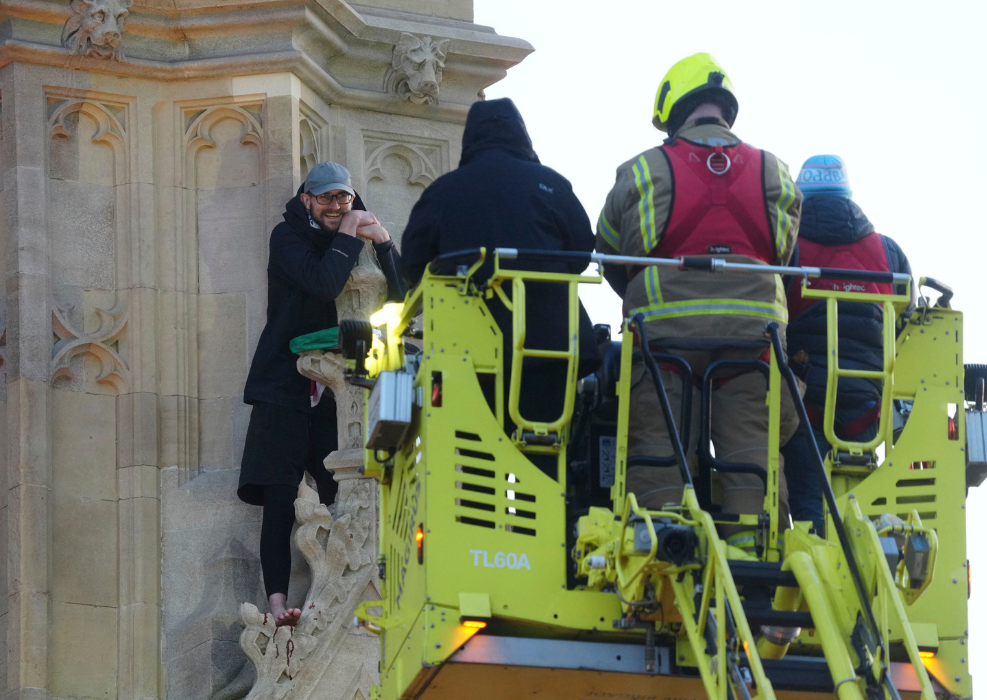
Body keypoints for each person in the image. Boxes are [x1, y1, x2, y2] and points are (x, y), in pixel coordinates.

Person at [594, 53, 801, 553]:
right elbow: (785, 251)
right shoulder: (774, 170)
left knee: (658, 451)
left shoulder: (643, 169)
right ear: (725, 109)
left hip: (664, 340)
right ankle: (754, 553)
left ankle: (662, 547)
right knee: (753, 450)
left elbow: (607, 251)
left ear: (672, 111)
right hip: (755, 339)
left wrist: (645, 295)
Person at [239, 161, 405, 626]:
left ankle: (356, 597)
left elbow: (405, 299)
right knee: (278, 496)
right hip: (284, 382)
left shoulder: (361, 233)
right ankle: (276, 604)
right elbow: (321, 281)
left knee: (350, 492)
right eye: (327, 198)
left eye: (343, 198)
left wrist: (387, 244)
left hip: (341, 389)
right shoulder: (286, 235)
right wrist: (351, 231)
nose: (336, 206)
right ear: (308, 199)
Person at [399, 98, 600, 445]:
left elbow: (412, 265)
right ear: (522, 136)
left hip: (467, 356)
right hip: (551, 347)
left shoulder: (443, 192)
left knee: (472, 463)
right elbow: (582, 251)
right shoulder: (551, 184)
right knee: (544, 457)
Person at [781, 155, 911, 537]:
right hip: (868, 409)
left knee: (808, 506)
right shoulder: (889, 253)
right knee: (860, 504)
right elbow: (907, 323)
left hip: (806, 402)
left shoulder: (789, 248)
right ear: (849, 196)